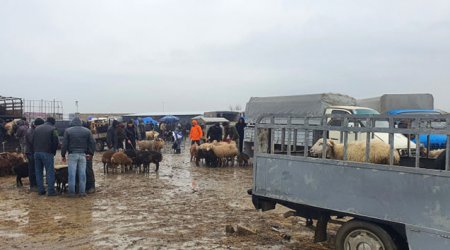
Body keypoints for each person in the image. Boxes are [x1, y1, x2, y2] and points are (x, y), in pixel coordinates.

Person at [61, 117, 96, 197]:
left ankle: (72, 193)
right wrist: (90, 153)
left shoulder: (68, 131)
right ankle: (82, 192)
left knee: (72, 174)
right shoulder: (87, 131)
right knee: (82, 174)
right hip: (83, 155)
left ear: (72, 123)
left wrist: (63, 155)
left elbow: (64, 144)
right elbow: (93, 143)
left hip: (72, 154)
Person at [32, 117, 59, 196]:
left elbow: (33, 140)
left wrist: (35, 150)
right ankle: (51, 191)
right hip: (47, 153)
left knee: (38, 172)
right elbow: (56, 142)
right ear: (53, 122)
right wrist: (53, 152)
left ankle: (40, 190)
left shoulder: (37, 129)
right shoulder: (54, 129)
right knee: (50, 172)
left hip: (36, 153)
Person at [25, 118, 44, 192]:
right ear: (37, 125)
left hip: (33, 152)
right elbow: (33, 142)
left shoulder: (33, 130)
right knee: (32, 169)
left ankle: (36, 184)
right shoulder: (31, 131)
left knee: (36, 168)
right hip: (31, 152)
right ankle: (33, 185)